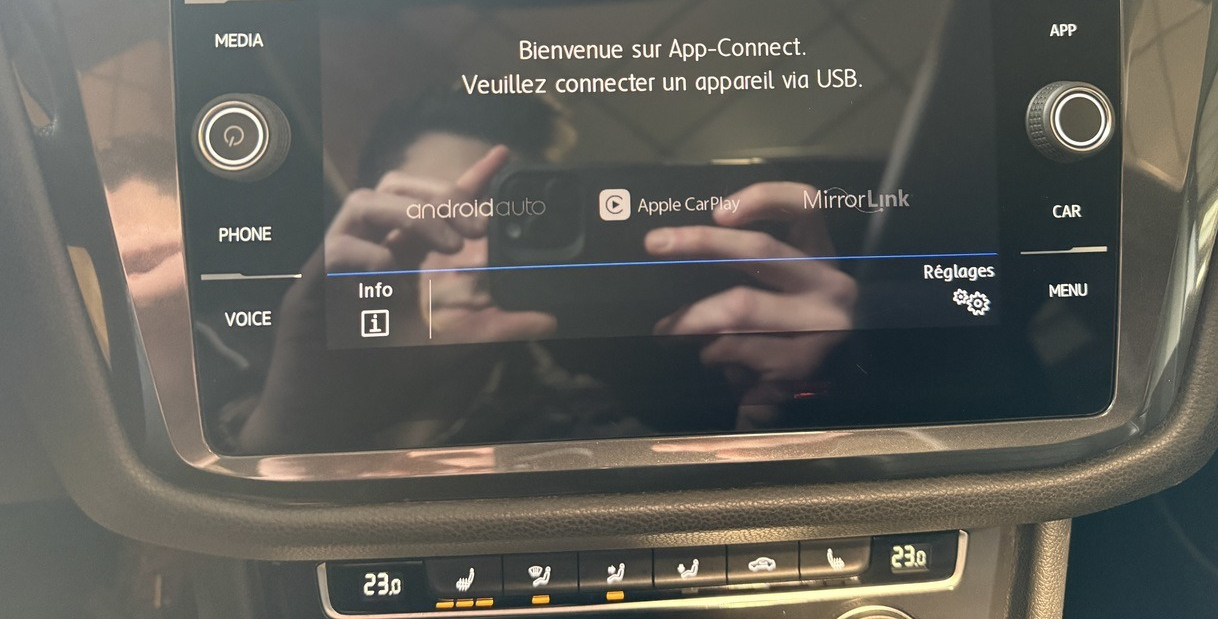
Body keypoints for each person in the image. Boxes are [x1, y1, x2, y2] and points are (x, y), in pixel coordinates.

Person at [235, 88, 856, 454]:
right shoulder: (236, 375)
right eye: (446, 215)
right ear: (377, 219)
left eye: (518, 221)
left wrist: (792, 426)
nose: (481, 256)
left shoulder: (587, 424)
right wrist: (290, 431)